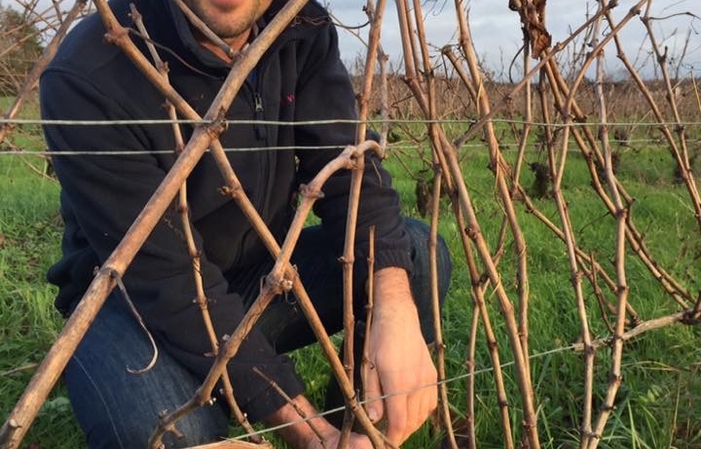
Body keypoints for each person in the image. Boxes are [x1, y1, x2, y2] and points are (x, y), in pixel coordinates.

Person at [40, 0, 452, 447]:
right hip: (131, 305)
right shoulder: (91, 67)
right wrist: (311, 435)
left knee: (409, 255)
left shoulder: (301, 24)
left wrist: (392, 306)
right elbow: (167, 281)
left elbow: (347, 172)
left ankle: (357, 431)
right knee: (165, 431)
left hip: (259, 276)